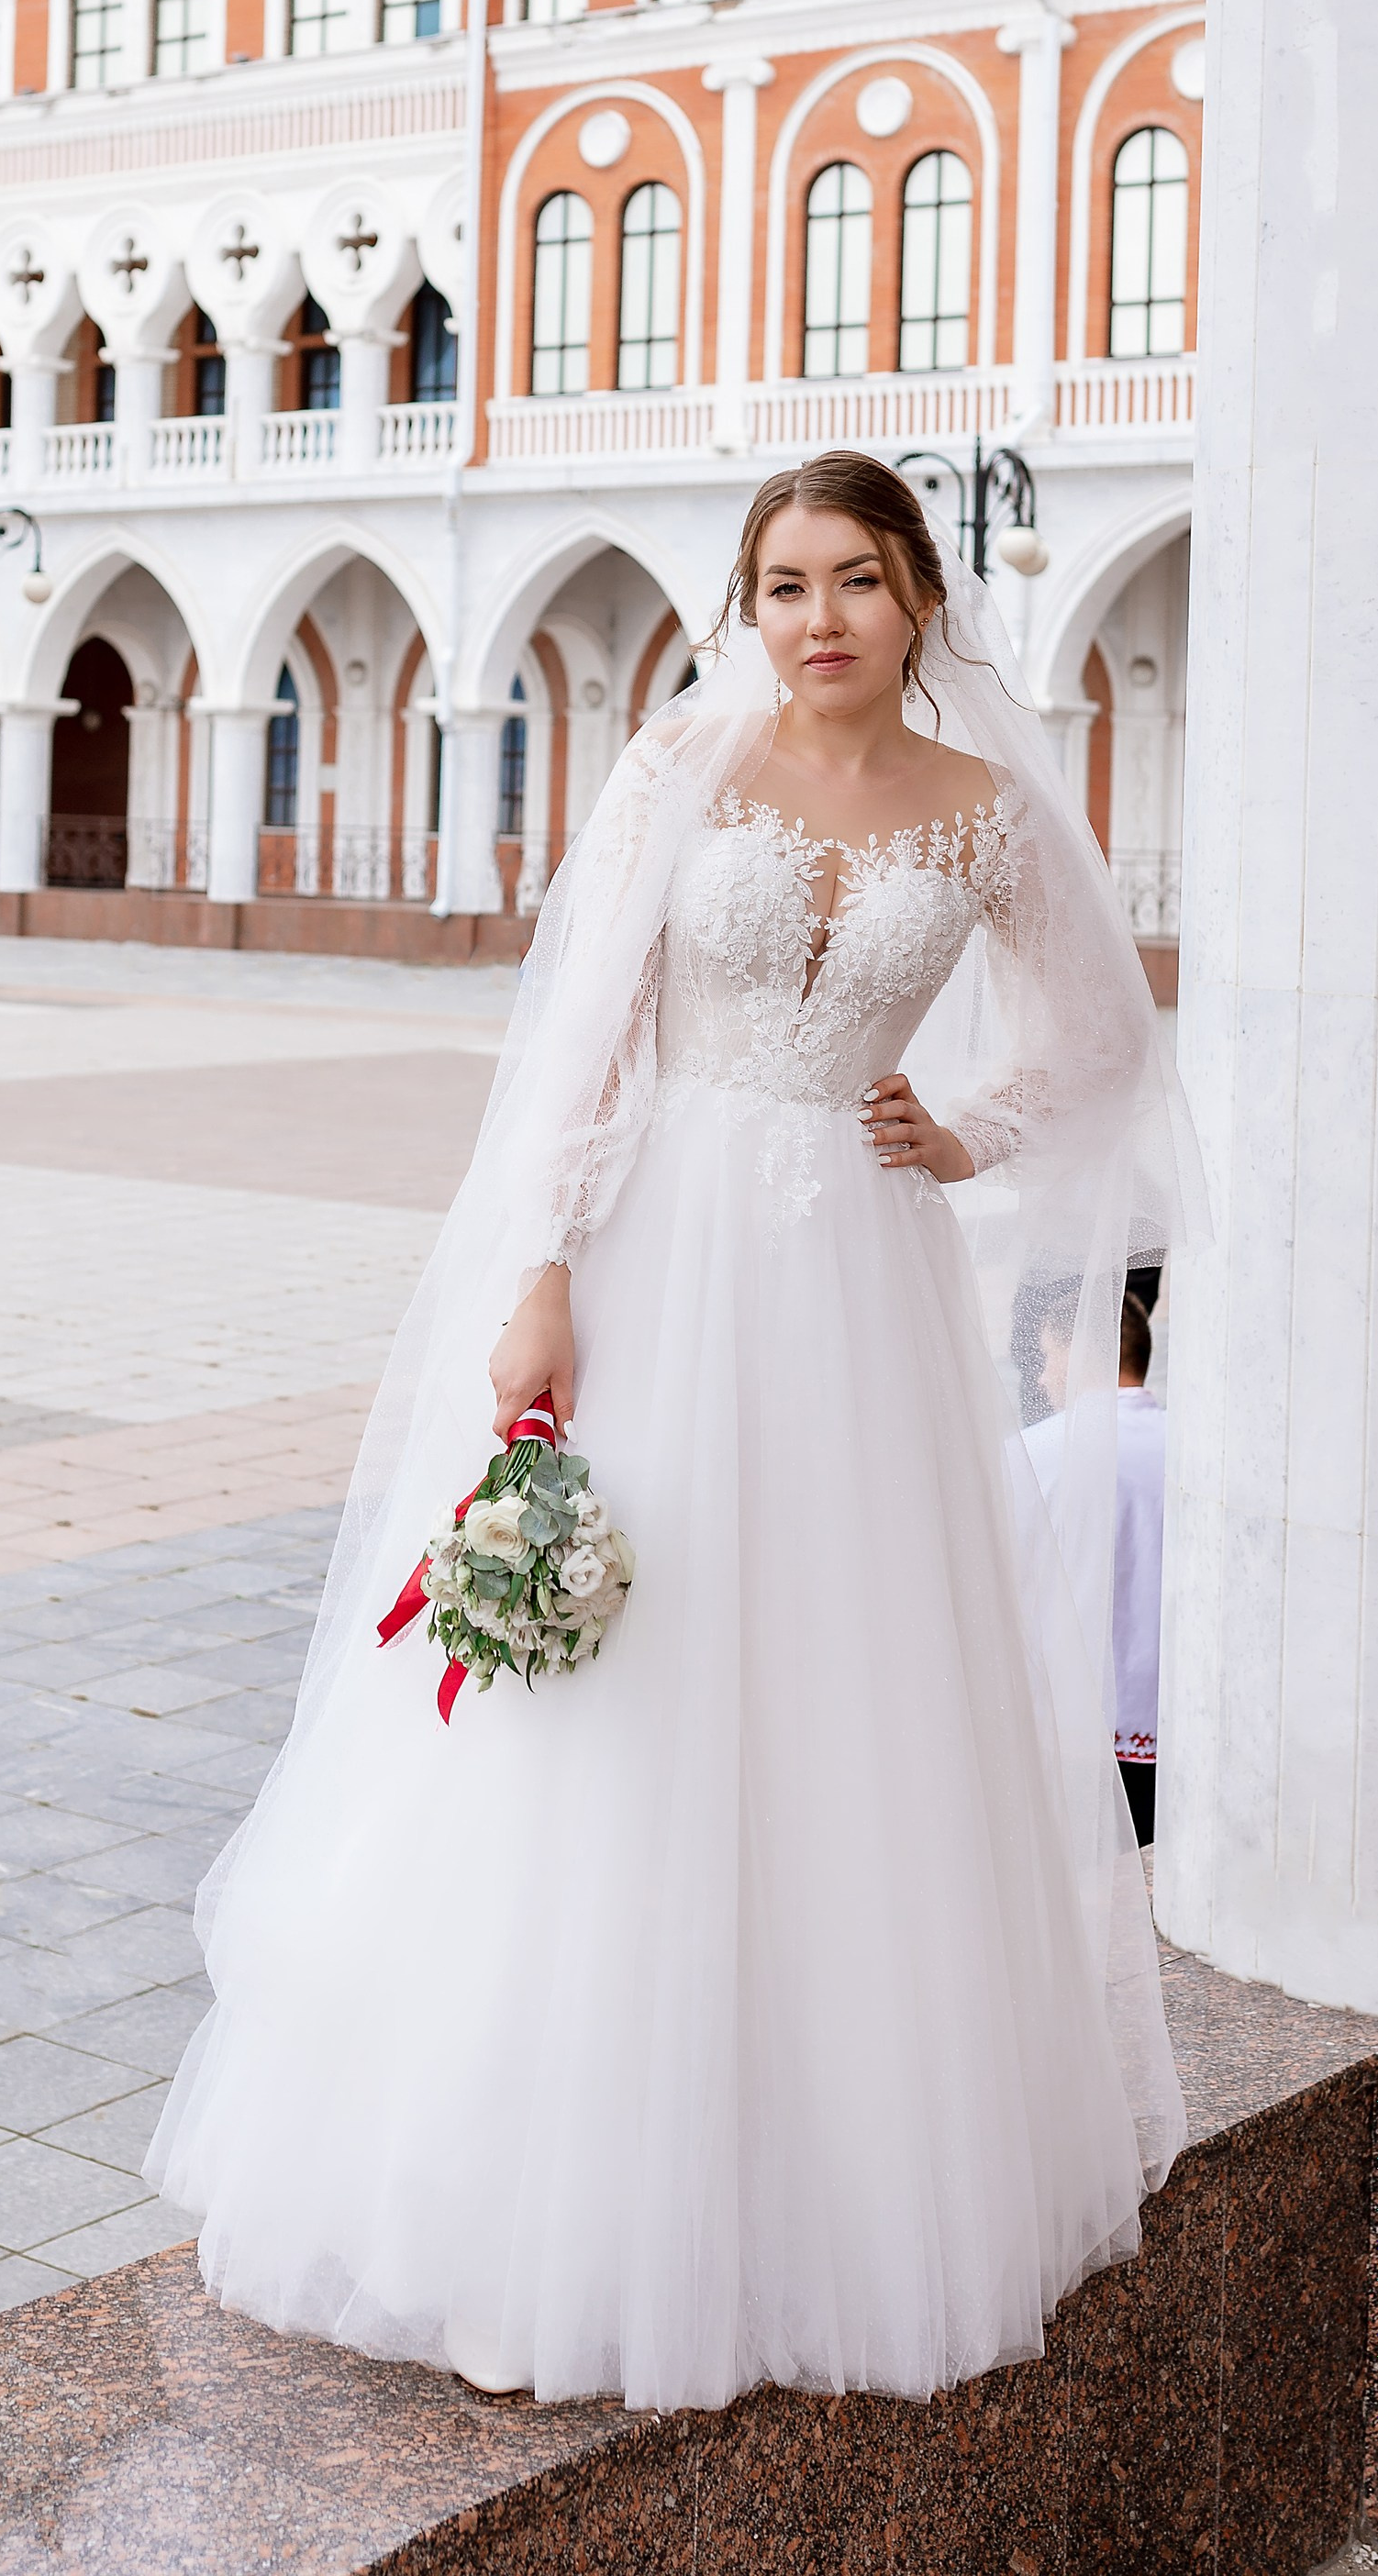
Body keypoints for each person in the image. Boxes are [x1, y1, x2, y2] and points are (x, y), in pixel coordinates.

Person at [151, 452, 1200, 2411]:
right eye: (785, 579)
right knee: (612, 1687)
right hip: (651, 1259)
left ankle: (806, 2179)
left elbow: (1107, 1037)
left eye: (858, 580)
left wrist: (964, 1128)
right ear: (749, 597)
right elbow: (583, 1034)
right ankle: (524, 2196)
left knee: (828, 1691)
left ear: (916, 602)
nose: (817, 616)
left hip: (852, 1282)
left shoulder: (980, 815)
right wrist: (537, 1266)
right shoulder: (676, 769)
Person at [1027, 1274, 1165, 1844]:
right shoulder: (1202, 1452)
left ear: (1077, 1350)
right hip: (1178, 1721)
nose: (1041, 1376)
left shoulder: (1037, 1454)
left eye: (1046, 1356)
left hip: (1075, 1723)